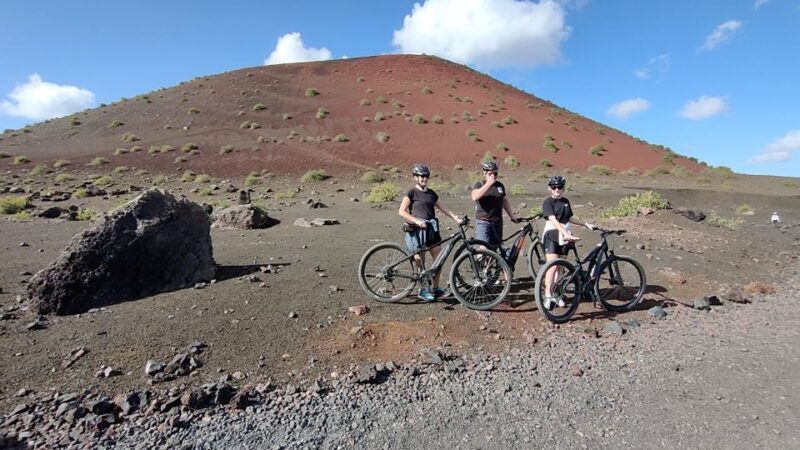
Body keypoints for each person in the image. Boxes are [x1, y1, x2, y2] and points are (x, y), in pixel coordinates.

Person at [399, 164, 462, 302]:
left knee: (439, 260)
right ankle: (422, 290)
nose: (424, 178)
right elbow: (402, 211)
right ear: (415, 177)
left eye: (426, 176)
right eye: (421, 176)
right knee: (420, 262)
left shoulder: (432, 193)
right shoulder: (411, 192)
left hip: (431, 229)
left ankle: (435, 288)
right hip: (418, 230)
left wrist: (456, 218)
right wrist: (416, 221)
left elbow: (444, 208)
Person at [541, 175, 594, 309]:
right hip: (552, 234)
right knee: (552, 266)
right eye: (554, 187)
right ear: (550, 188)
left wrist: (585, 224)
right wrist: (565, 233)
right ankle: (548, 295)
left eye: (559, 187)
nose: (557, 189)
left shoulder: (565, 201)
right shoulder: (548, 202)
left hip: (565, 235)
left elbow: (569, 218)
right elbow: (553, 220)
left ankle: (557, 293)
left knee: (560, 267)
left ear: (563, 188)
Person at [470, 161, 519, 252]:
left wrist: (512, 216)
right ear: (484, 173)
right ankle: (480, 261)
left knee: (494, 249)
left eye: (495, 173)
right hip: (483, 222)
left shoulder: (500, 186)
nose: (493, 176)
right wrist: (488, 184)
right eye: (490, 174)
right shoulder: (479, 184)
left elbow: (504, 200)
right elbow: (474, 197)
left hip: (497, 222)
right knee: (483, 249)